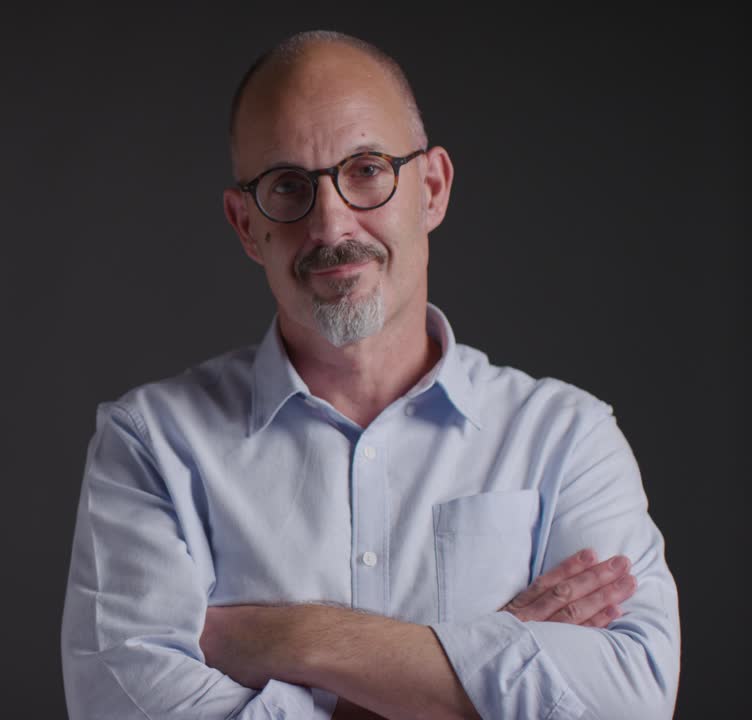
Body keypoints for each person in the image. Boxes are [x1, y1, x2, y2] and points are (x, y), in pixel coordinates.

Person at [60, 30, 680, 720]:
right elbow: (127, 706)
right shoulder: (151, 444)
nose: (331, 224)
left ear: (433, 188)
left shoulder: (567, 439)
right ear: (244, 225)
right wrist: (484, 663)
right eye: (287, 186)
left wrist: (290, 638)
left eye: (366, 169)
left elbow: (631, 700)